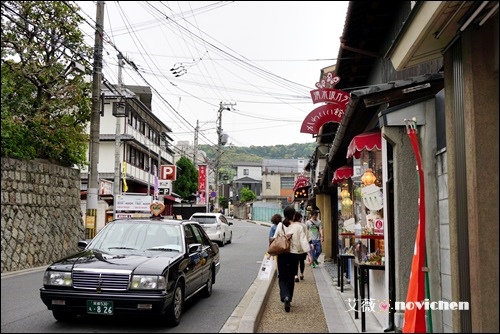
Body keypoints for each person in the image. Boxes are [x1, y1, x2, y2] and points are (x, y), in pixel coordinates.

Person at [273, 206, 310, 312]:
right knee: (291, 278)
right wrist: (309, 254)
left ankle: (285, 296)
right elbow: (303, 241)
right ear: (293, 215)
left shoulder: (280, 225)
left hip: (282, 255)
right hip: (294, 256)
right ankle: (289, 297)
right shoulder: (298, 227)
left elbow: (276, 239)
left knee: (282, 278)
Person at [293, 211, 312, 282]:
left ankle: (295, 275)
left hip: (295, 247)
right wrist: (310, 243)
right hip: (302, 247)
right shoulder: (303, 226)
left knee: (295, 262)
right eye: (300, 217)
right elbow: (307, 236)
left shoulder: (292, 225)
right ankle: (301, 274)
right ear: (299, 218)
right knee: (302, 261)